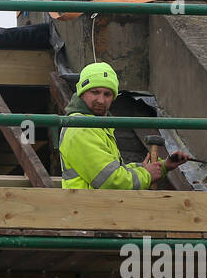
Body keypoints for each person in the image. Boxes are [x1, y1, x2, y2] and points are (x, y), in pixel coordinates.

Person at [58, 61, 188, 189]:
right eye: (95, 92)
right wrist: (147, 174)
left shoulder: (97, 127)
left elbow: (118, 171)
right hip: (87, 207)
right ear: (82, 93)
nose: (101, 100)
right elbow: (111, 181)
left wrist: (163, 166)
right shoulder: (81, 128)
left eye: (107, 94)